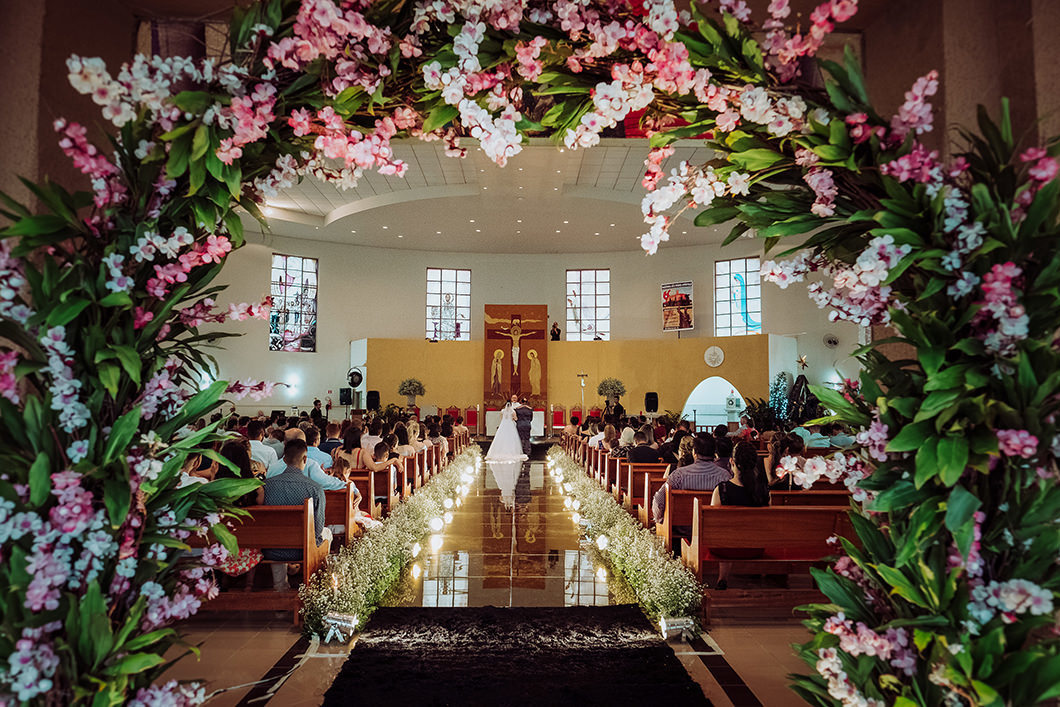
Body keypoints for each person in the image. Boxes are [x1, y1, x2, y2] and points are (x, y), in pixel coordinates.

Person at [262, 439, 332, 591]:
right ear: (305, 459)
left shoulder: (266, 486)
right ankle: (315, 586)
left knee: (276, 535)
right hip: (302, 548)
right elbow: (318, 528)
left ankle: (279, 587)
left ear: (284, 459)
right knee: (327, 533)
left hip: (272, 549)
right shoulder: (314, 488)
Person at [710, 441, 771, 589]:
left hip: (726, 549)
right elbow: (767, 522)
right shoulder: (764, 490)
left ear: (731, 461)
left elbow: (713, 525)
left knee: (725, 534)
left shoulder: (722, 489)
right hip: (756, 547)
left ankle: (722, 578)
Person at [652, 435, 732, 526]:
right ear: (714, 452)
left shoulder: (678, 475)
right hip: (711, 529)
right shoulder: (725, 476)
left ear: (694, 452)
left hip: (681, 528)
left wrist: (661, 520)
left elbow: (659, 499)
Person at [266, 429, 346, 491]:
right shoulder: (311, 465)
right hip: (305, 509)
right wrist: (349, 485)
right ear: (303, 444)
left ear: (284, 444)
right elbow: (327, 483)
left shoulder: (272, 468)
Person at [486, 398, 528, 462]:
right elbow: (516, 419)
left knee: (502, 438)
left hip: (503, 425)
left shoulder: (502, 411)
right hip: (511, 425)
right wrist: (513, 418)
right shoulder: (513, 411)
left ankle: (500, 451)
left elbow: (501, 418)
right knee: (511, 438)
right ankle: (511, 451)